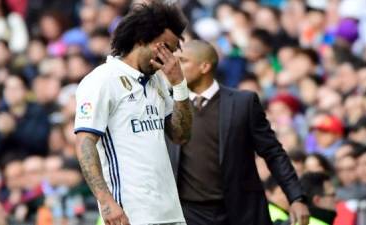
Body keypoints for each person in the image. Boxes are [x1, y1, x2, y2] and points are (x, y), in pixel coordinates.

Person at [74, 2, 192, 225]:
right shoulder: (102, 80)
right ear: (140, 40)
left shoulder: (158, 81)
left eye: (172, 51)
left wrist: (179, 85)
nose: (169, 57)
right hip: (130, 213)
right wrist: (106, 201)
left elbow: (181, 135)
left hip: (170, 211)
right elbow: (84, 143)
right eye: (164, 47)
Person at [169, 40, 309, 225]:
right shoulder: (166, 104)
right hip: (188, 213)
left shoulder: (243, 103)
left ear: (204, 66)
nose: (174, 67)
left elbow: (273, 152)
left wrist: (296, 197)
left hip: (238, 211)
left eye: (183, 61)